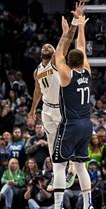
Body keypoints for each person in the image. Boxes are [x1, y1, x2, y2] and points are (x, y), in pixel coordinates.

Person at [49, 12, 97, 209]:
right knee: (80, 166)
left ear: (68, 62)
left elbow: (59, 51)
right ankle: (89, 206)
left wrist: (66, 31)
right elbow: (82, 46)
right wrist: (80, 26)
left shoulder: (67, 74)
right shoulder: (86, 70)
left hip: (71, 125)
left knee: (59, 166)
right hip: (87, 125)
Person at [27, 16, 81, 191]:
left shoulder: (56, 62)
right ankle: (57, 174)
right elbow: (37, 91)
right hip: (46, 109)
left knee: (65, 140)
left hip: (61, 108)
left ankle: (72, 168)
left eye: (50, 46)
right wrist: (32, 111)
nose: (46, 46)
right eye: (44, 46)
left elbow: (65, 42)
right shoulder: (37, 70)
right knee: (52, 144)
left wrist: (73, 23)